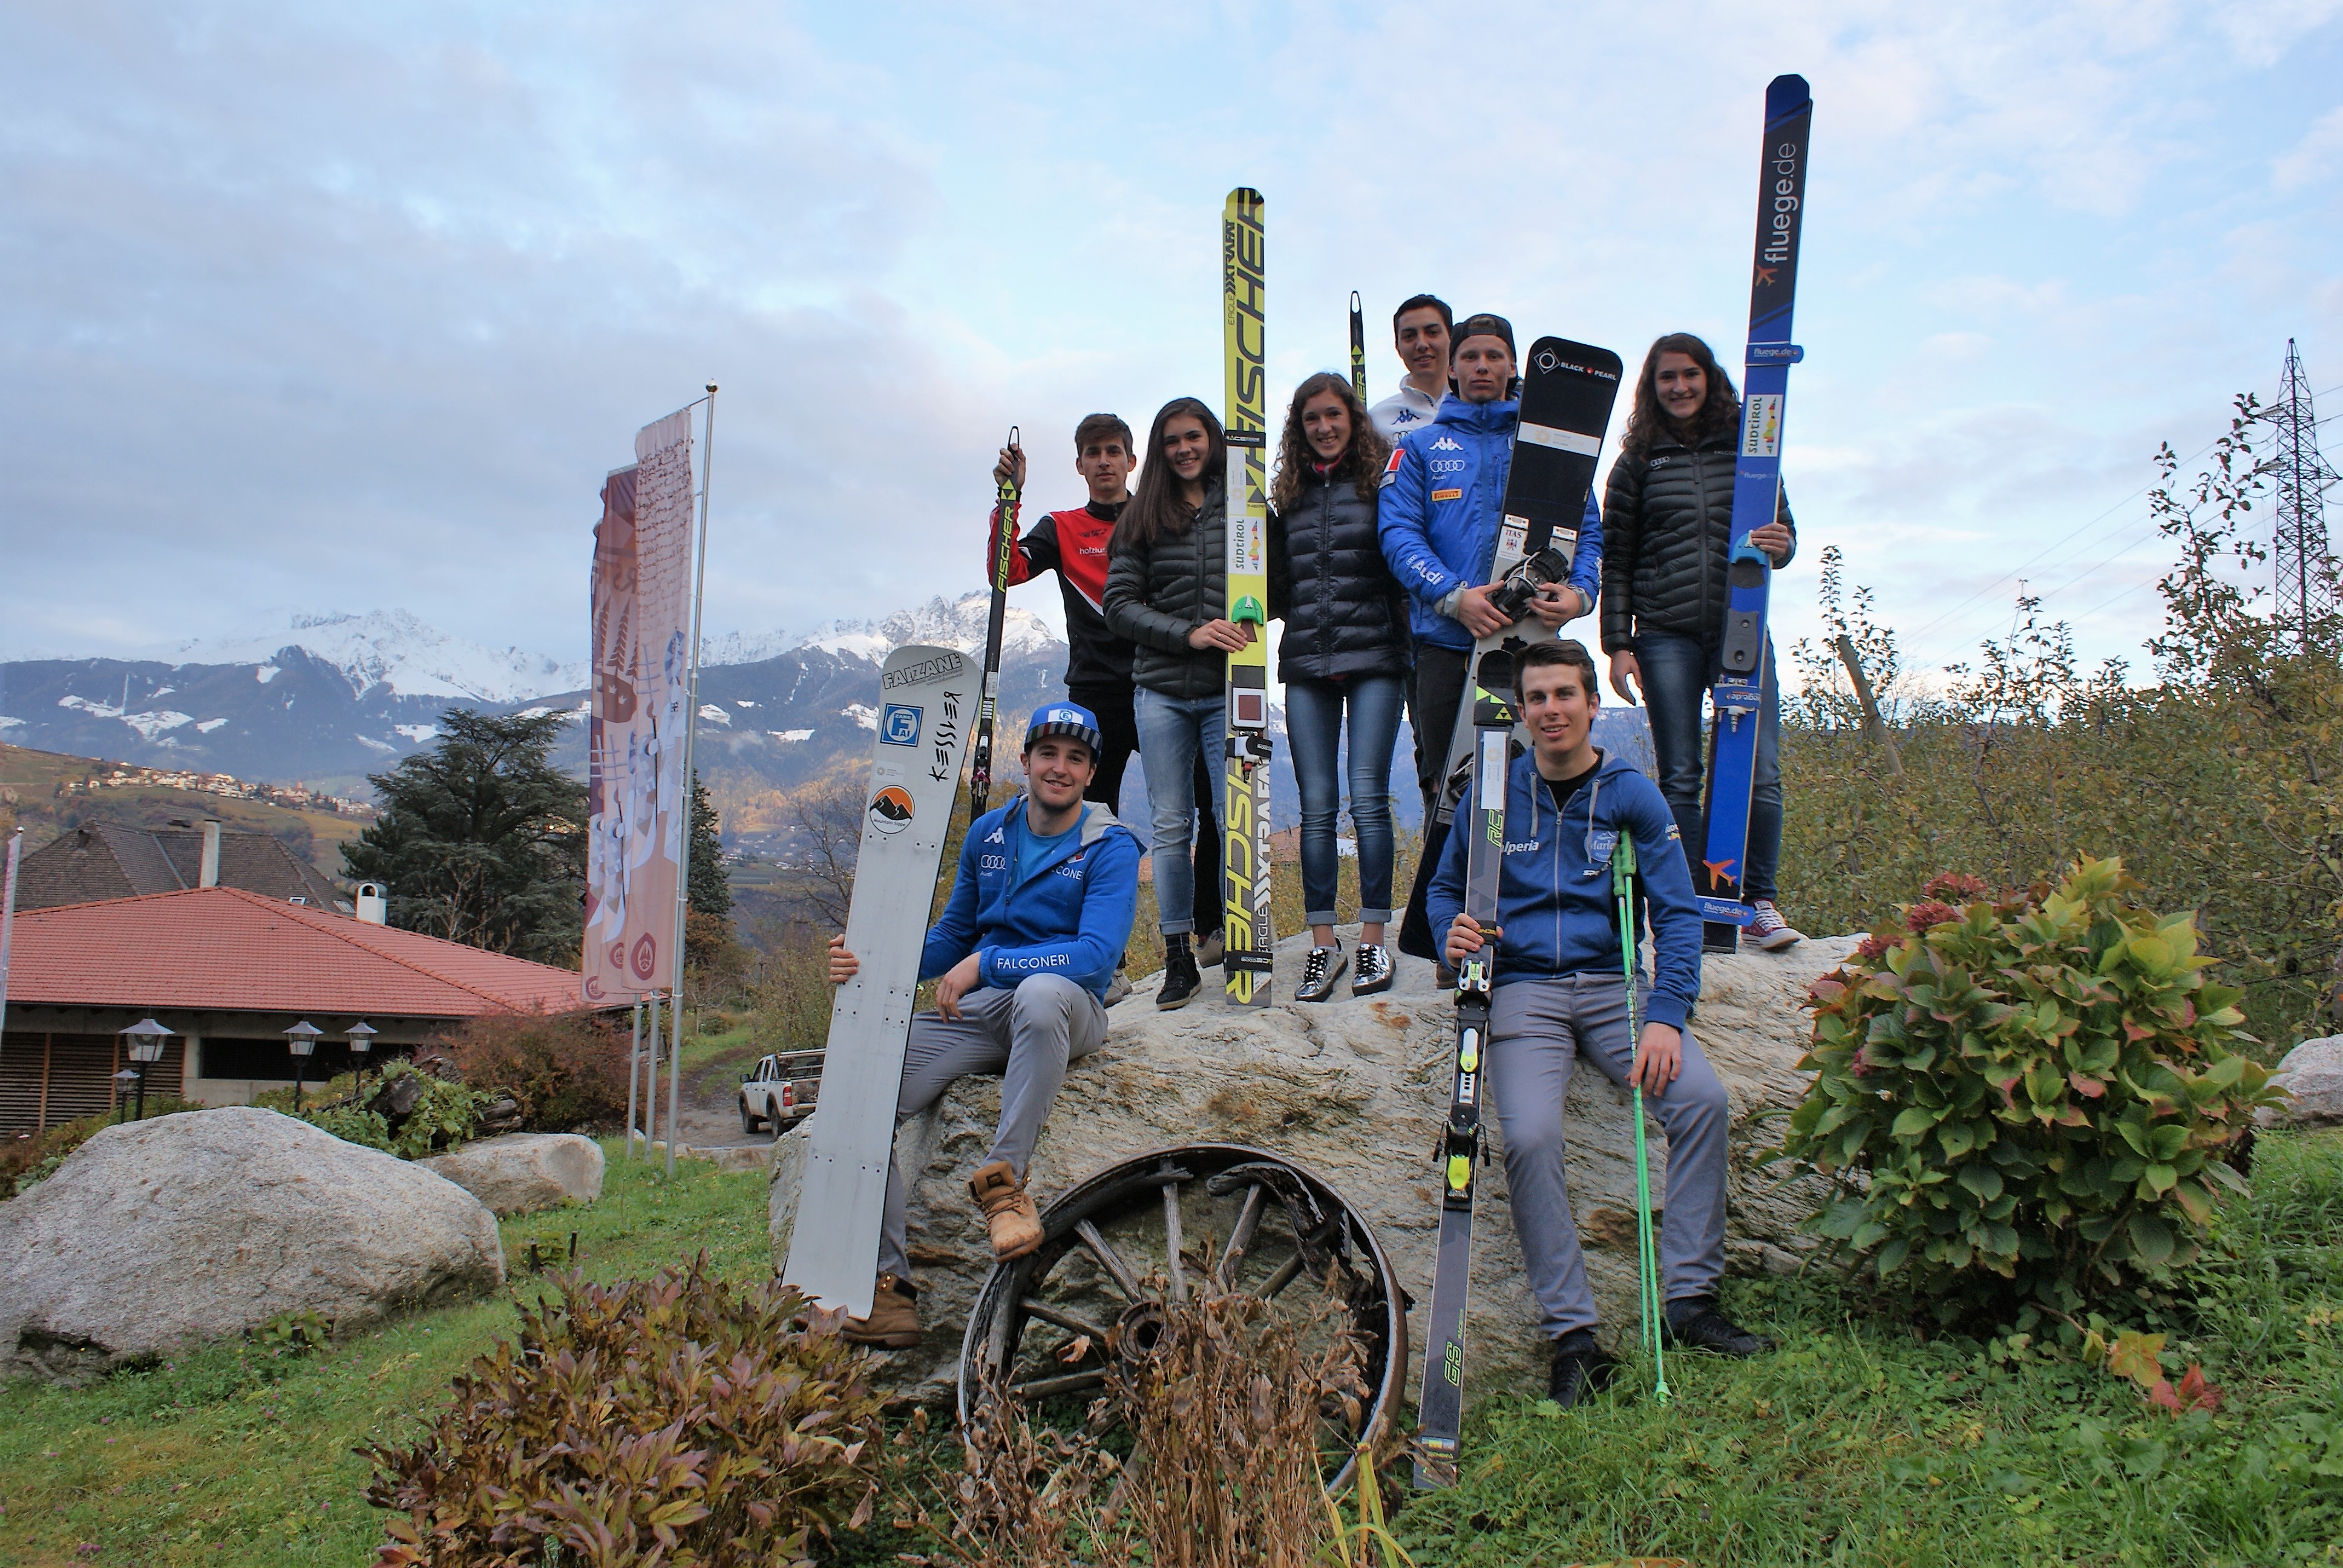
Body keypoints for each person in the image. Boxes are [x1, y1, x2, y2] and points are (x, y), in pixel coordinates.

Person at [1429, 640, 1773, 1407]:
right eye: (1536, 698)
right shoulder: (1494, 794)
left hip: (1616, 987)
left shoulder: (1629, 794)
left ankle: (1689, 1302)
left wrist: (1666, 1016)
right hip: (1523, 992)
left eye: (1564, 695)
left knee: (1701, 1101)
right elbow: (1445, 891)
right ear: (1521, 712)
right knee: (1528, 1137)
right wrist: (1452, 930)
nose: (1550, 710)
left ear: (1591, 704)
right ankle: (1575, 1340)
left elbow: (1676, 915)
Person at [829, 703, 1140, 1347]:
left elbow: (1094, 957)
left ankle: (1003, 1187)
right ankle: (887, 1291)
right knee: (862, 1088)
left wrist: (987, 963)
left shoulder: (1109, 846)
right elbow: (952, 935)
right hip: (982, 1014)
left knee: (1041, 994)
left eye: (1076, 759)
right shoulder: (989, 835)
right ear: (1024, 761)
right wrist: (872, 958)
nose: (1060, 768)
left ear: (1091, 774)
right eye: (1048, 754)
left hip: (1068, 1009)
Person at [987, 417, 1227, 999]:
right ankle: (1104, 959)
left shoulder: (1160, 515)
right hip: (1099, 693)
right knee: (1092, 825)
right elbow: (1005, 572)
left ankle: (1211, 928)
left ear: (1132, 460)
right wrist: (1008, 501)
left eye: (1114, 452)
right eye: (1092, 453)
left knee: (1210, 804)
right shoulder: (1063, 527)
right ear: (1079, 465)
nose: (1104, 462)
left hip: (1169, 682)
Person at [1600, 333, 1803, 951]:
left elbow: (1784, 532)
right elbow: (1617, 558)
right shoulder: (1637, 461)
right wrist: (1618, 643)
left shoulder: (1749, 450)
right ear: (1651, 386)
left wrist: (1782, 545)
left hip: (1740, 624)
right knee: (1681, 775)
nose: (1679, 386)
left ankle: (1758, 901)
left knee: (1758, 768)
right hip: (1664, 632)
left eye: (1689, 374)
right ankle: (1684, 905)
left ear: (1709, 378)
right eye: (1667, 377)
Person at [1378, 312, 1604, 821]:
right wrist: (1454, 597)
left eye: (1494, 356)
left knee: (1537, 787)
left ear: (1513, 366)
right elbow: (1397, 534)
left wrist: (1580, 595)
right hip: (1445, 641)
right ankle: (1452, 875)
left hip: (1531, 643)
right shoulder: (1419, 447)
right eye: (1470, 356)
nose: (1482, 366)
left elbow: (1588, 530)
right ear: (1452, 368)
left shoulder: (1549, 447)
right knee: (1448, 790)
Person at [1267, 371, 1407, 1001]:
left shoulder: (1383, 485)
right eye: (1311, 419)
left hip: (1376, 656)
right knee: (1317, 806)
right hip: (1306, 661)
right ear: (1299, 430)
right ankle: (1324, 945)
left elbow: (1402, 563)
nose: (1323, 427)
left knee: (1368, 798)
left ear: (1353, 419)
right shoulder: (1288, 498)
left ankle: (1374, 938)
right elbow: (1277, 586)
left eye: (1333, 415)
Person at [1104, 397, 1242, 1010]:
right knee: (1170, 825)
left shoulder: (1244, 508)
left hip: (1227, 689)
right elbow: (1117, 606)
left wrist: (1253, 616)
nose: (1184, 449)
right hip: (1160, 691)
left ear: (1211, 439)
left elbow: (1277, 583)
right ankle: (1178, 956)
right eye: (1172, 440)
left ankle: (1242, 936)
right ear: (1160, 451)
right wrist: (1188, 635)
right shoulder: (1143, 515)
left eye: (1194, 436)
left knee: (1234, 816)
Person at [1367, 294, 1453, 443]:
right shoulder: (1377, 420)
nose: (1422, 345)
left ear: (1452, 338)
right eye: (1409, 336)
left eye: (1432, 333)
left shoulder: (1479, 405)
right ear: (1398, 348)